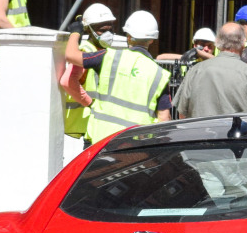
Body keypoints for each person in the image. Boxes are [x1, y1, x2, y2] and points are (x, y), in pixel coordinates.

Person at [64, 9, 171, 143]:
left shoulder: (108, 57)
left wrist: (75, 33)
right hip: (137, 145)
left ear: (128, 36)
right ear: (152, 40)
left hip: (100, 142)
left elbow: (71, 55)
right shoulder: (160, 75)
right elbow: (164, 118)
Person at [175, 22, 247, 119]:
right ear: (243, 44)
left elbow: (182, 113)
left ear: (217, 44)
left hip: (199, 133)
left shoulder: (195, 71)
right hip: (235, 134)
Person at [59, 3, 118, 138]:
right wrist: (90, 104)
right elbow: (67, 81)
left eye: (110, 30)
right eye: (102, 30)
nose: (107, 34)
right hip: (81, 126)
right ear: (89, 30)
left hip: (91, 126)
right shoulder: (86, 50)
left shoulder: (104, 51)